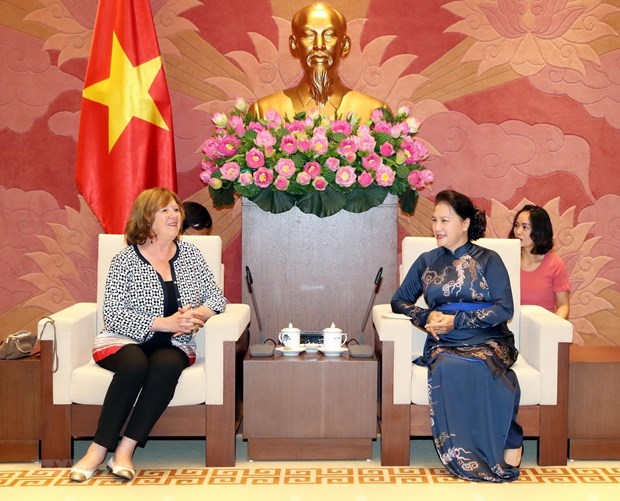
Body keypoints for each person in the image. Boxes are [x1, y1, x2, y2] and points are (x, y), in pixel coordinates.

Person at [69, 188, 226, 482]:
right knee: (135, 365)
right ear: (146, 218)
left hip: (174, 344)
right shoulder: (125, 259)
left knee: (166, 367)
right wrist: (163, 323)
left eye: (176, 210)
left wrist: (197, 315)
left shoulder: (192, 254)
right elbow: (113, 313)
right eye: (164, 210)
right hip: (124, 340)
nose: (174, 215)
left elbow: (217, 299)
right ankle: (98, 449)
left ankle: (125, 450)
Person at [391, 190, 523, 482]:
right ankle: (467, 457)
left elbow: (505, 308)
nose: (437, 227)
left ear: (464, 224)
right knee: (449, 366)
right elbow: (398, 301)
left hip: (489, 338)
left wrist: (458, 320)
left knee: (481, 364)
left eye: (445, 220)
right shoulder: (426, 260)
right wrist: (425, 317)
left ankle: (508, 438)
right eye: (435, 220)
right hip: (445, 343)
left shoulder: (490, 259)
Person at [249, 2, 386, 122]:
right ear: (294, 45)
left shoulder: (374, 114)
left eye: (329, 35)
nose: (319, 45)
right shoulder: (263, 112)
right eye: (308, 35)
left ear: (344, 45)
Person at [509, 204, 570, 319]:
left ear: (539, 231)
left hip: (543, 330)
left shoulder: (555, 264)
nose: (518, 231)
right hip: (510, 331)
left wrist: (551, 328)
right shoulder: (507, 260)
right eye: (516, 225)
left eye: (525, 227)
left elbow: (563, 305)